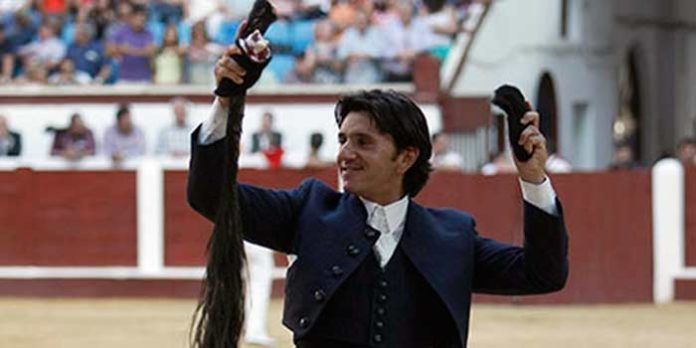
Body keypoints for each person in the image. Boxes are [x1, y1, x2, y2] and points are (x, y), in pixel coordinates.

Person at [186, 43, 568, 347]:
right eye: (343, 140)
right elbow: (209, 195)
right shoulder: (308, 212)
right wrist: (226, 102)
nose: (344, 154)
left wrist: (533, 179)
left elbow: (542, 274)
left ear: (406, 156)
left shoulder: (452, 237)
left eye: (363, 142)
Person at [106, 4, 156, 83]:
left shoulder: (148, 33)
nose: (142, 19)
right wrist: (121, 48)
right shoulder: (121, 32)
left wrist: (126, 49)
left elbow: (150, 51)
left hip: (143, 79)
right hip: (125, 78)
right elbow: (108, 50)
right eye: (139, 16)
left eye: (144, 17)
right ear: (132, 17)